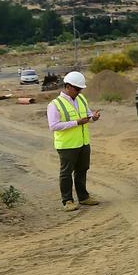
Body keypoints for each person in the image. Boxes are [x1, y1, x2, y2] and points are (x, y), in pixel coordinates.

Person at [48, 71, 100, 212]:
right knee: (66, 173)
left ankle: (83, 197)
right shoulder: (55, 104)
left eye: (80, 89)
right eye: (77, 89)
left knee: (82, 170)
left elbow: (87, 115)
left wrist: (93, 117)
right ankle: (68, 201)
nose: (79, 91)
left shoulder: (81, 99)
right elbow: (53, 126)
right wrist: (76, 123)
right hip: (67, 145)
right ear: (68, 86)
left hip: (83, 142)